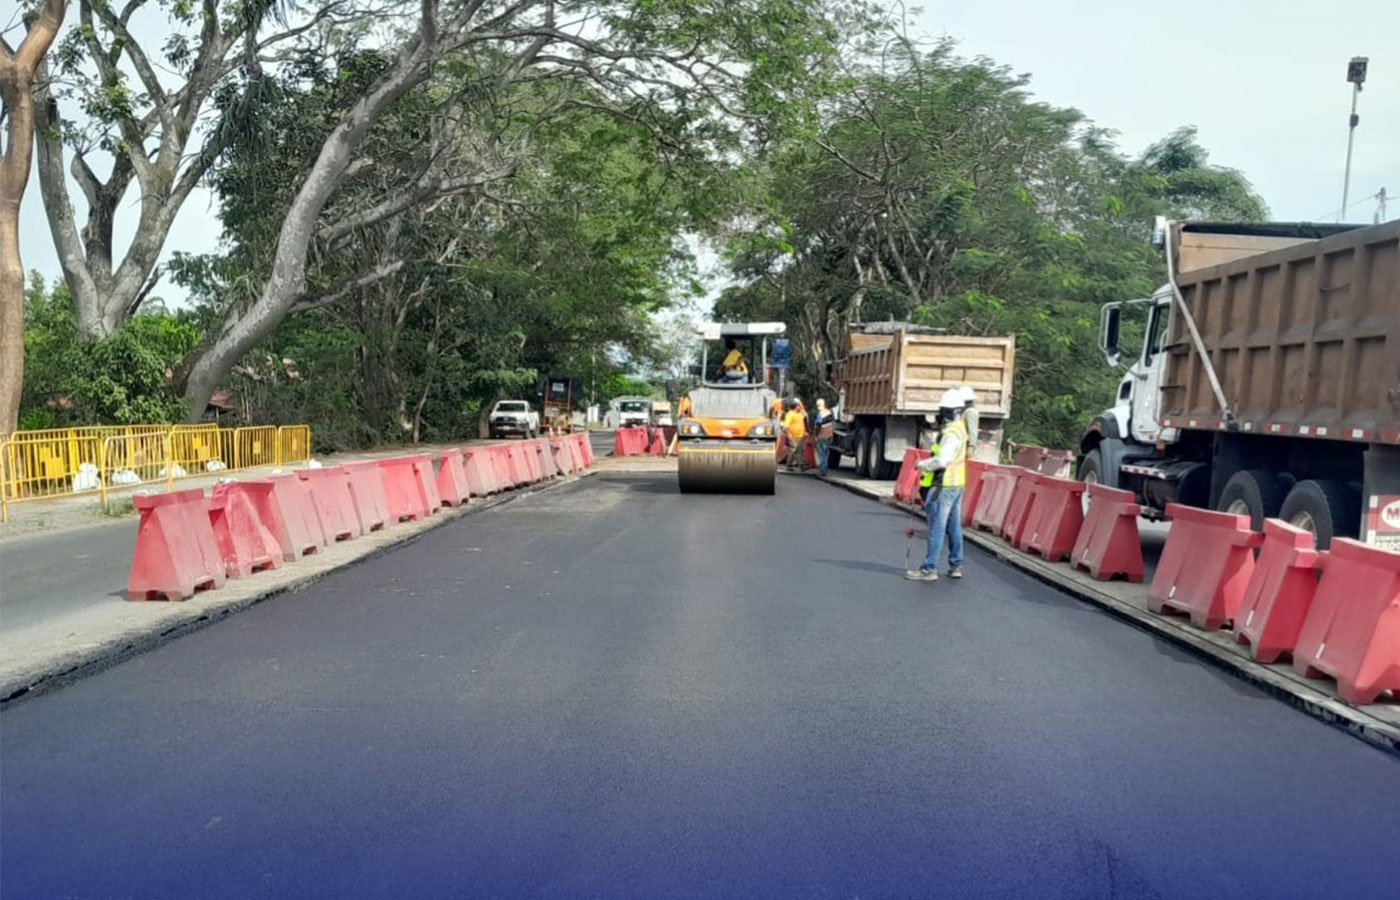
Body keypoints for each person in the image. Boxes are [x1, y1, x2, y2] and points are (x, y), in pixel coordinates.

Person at [905, 388, 969, 582]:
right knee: (954, 526)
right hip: (957, 483)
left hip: (943, 484)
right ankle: (956, 564)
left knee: (937, 527)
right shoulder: (961, 428)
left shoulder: (950, 433)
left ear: (947, 412)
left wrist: (922, 465)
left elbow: (942, 460)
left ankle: (929, 568)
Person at [782, 399, 807, 469]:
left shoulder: (800, 413)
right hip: (793, 435)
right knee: (792, 450)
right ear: (795, 407)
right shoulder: (790, 414)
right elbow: (786, 426)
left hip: (801, 435)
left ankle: (802, 465)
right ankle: (789, 465)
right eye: (798, 406)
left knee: (800, 450)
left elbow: (805, 416)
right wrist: (788, 434)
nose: (799, 407)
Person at [812, 398, 834, 476]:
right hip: (829, 435)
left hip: (822, 435)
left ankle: (823, 468)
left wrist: (816, 436)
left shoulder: (820, 414)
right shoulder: (829, 412)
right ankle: (825, 467)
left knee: (821, 452)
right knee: (826, 452)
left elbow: (818, 426)